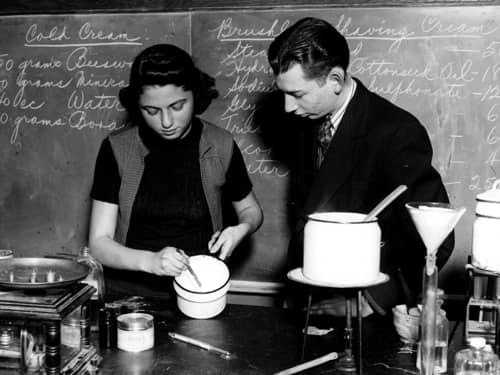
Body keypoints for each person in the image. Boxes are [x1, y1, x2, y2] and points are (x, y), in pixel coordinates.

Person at [267, 17, 454, 316]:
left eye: (297, 94)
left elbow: (435, 239)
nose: (287, 107)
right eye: (284, 94)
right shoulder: (306, 120)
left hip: (368, 313)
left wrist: (369, 302)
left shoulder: (396, 131)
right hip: (309, 294)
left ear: (335, 80)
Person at [88, 44, 263, 298]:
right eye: (151, 111)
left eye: (177, 106)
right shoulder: (116, 148)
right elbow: (99, 244)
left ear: (196, 96)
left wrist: (241, 229)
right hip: (128, 294)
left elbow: (251, 210)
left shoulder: (220, 143)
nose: (166, 122)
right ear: (138, 105)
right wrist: (151, 262)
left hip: (200, 289)